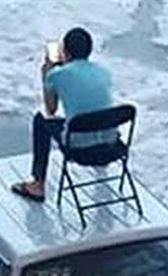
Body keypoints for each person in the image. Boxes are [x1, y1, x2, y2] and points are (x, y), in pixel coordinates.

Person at [11, 27, 116, 202]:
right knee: (90, 115)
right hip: (110, 146)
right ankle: (102, 164)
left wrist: (46, 75)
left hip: (80, 149)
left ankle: (38, 184)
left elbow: (51, 110)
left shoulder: (58, 75)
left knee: (40, 121)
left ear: (65, 52)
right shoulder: (103, 72)